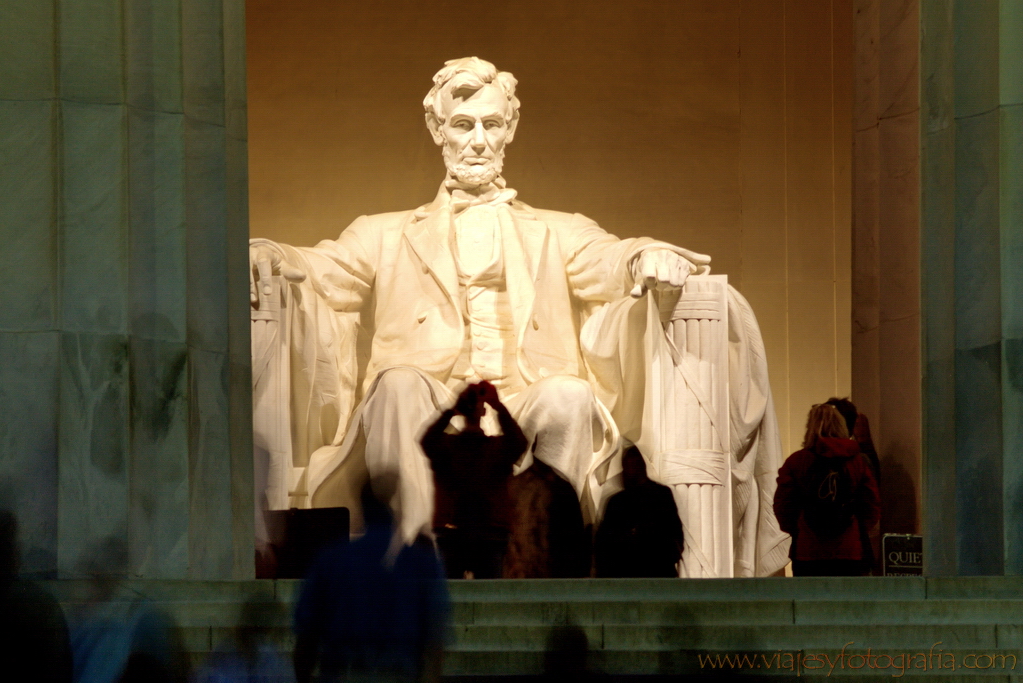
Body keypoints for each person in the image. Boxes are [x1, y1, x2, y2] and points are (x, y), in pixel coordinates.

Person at [250, 56, 789, 577]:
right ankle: (414, 560)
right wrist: (276, 255)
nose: (478, 140)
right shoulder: (383, 231)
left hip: (523, 398)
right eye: (463, 125)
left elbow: (608, 258)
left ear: (510, 128)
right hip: (430, 401)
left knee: (569, 394)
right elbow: (325, 268)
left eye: (491, 124)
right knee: (397, 385)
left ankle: (547, 559)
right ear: (438, 130)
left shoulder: (558, 229)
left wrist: (644, 255)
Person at [293, 477, 449, 683]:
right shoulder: (422, 563)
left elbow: (306, 640)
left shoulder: (330, 560)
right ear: (398, 509)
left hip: (343, 673)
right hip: (400, 673)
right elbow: (435, 640)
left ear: (361, 506)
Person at [420, 380, 526, 578]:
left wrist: (452, 411)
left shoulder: (447, 448)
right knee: (491, 597)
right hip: (491, 532)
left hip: (452, 530)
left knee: (452, 597)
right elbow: (518, 442)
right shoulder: (497, 450)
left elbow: (428, 440)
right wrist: (497, 405)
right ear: (484, 412)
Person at [773, 404, 881, 577]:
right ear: (842, 426)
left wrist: (799, 529)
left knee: (809, 602)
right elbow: (872, 505)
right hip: (850, 548)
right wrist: (857, 528)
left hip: (808, 550)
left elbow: (782, 506)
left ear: (810, 427)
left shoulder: (797, 461)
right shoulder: (857, 461)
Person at [594, 445, 684, 577]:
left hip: (639, 575)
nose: (626, 471)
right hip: (651, 575)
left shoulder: (620, 501)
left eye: (630, 466)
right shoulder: (659, 495)